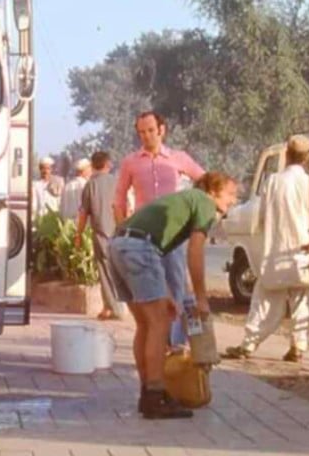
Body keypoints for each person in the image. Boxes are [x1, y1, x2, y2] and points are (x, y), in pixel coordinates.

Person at [107, 171, 238, 419]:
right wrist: (201, 298)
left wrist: (168, 290)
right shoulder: (204, 203)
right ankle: (155, 396)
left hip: (119, 245)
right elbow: (195, 252)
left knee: (145, 325)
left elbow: (163, 248)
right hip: (140, 247)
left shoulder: (185, 199)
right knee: (159, 323)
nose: (233, 200)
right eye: (230, 194)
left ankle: (148, 392)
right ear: (212, 191)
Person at [114, 111, 205, 349]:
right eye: (141, 132)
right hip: (143, 237)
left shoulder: (178, 158)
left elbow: (205, 180)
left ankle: (176, 344)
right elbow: (119, 198)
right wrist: (121, 227)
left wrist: (194, 210)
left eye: (150, 130)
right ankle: (155, 338)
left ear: (161, 130)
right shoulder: (130, 162)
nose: (146, 136)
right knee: (151, 289)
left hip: (172, 235)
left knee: (176, 284)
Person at [223, 136, 309, 361]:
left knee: (264, 298)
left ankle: (249, 344)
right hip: (302, 251)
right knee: (302, 298)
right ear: (307, 158)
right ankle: (299, 346)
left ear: (287, 155)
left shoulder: (273, 181)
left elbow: (261, 216)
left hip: (276, 251)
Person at [75, 152, 124, 320]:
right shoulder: (117, 182)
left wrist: (78, 234)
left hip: (101, 233)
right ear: (107, 164)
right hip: (119, 232)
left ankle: (115, 308)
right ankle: (109, 307)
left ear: (93, 165)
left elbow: (83, 213)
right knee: (116, 270)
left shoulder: (91, 185)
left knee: (104, 270)